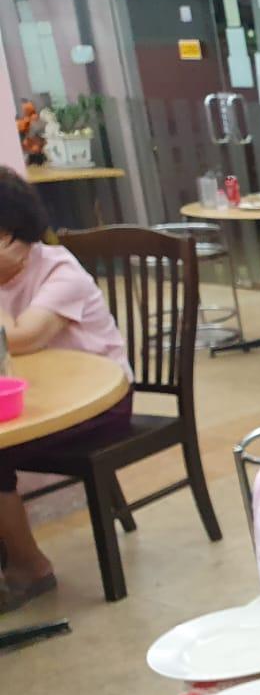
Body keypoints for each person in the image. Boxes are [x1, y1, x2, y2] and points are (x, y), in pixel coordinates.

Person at [0, 169, 132, 612]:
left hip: (97, 405)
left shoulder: (58, 269)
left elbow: (21, 338)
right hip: (31, 400)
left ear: (13, 233)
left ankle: (30, 567)